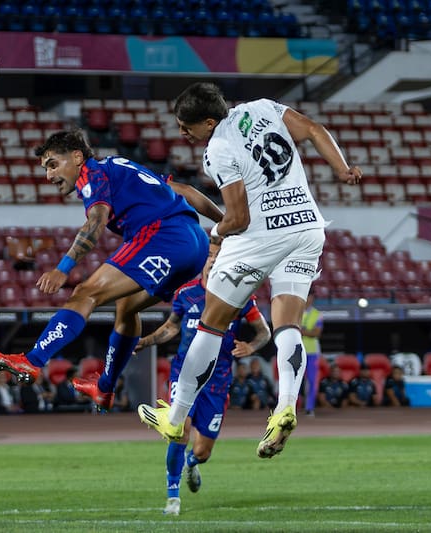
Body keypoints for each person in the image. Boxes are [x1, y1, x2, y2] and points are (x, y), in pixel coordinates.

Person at [137, 82, 361, 459]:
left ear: (209, 122)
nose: (182, 133)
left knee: (211, 322)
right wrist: (341, 169)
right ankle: (285, 406)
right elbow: (314, 130)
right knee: (288, 323)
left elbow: (238, 218)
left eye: (186, 126)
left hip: (260, 236)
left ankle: (175, 418)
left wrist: (215, 232)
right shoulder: (263, 107)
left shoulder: (218, 148)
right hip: (307, 227)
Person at [0, 130, 223, 410]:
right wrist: (227, 224)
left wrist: (63, 268)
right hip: (195, 243)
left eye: (52, 164)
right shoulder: (120, 165)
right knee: (127, 307)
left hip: (163, 235)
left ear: (76, 157)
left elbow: (96, 221)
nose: (48, 176)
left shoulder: (91, 174)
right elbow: (186, 191)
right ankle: (105, 388)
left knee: (84, 293)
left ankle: (32, 360)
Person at [128, 243, 271, 515]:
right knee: (179, 430)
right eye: (210, 255)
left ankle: (191, 464)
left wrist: (251, 347)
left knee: (203, 451)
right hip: (184, 373)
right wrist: (145, 342)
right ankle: (173, 497)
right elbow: (171, 327)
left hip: (217, 381)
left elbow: (263, 331)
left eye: (219, 256)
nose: (213, 260)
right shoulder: (186, 293)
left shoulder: (238, 296)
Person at [300, 292, 323, 416]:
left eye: (310, 297)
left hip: (312, 351)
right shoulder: (296, 311)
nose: (308, 299)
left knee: (312, 380)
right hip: (297, 350)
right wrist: (308, 331)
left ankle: (309, 408)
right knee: (294, 380)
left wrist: (302, 331)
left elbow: (317, 333)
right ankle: (291, 407)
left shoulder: (317, 314)